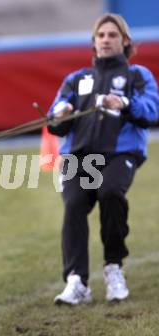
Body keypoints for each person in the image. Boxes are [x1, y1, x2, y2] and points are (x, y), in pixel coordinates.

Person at [48, 13, 159, 305]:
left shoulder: (138, 76)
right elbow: (55, 119)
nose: (106, 40)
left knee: (110, 193)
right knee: (73, 205)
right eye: (101, 35)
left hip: (119, 154)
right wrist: (59, 115)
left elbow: (151, 111)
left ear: (125, 41)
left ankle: (113, 268)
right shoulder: (76, 80)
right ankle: (76, 281)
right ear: (94, 42)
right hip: (79, 156)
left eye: (112, 35)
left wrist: (124, 103)